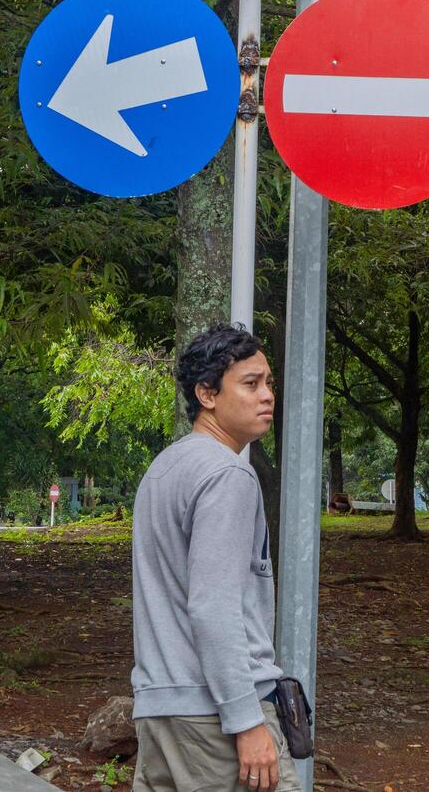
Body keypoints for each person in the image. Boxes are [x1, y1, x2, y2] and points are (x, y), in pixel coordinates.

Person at [130, 324, 300, 792]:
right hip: (215, 720)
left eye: (269, 383)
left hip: (160, 712)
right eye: (250, 384)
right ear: (207, 393)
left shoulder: (164, 469)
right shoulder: (227, 474)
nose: (267, 396)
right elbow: (212, 607)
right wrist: (247, 721)